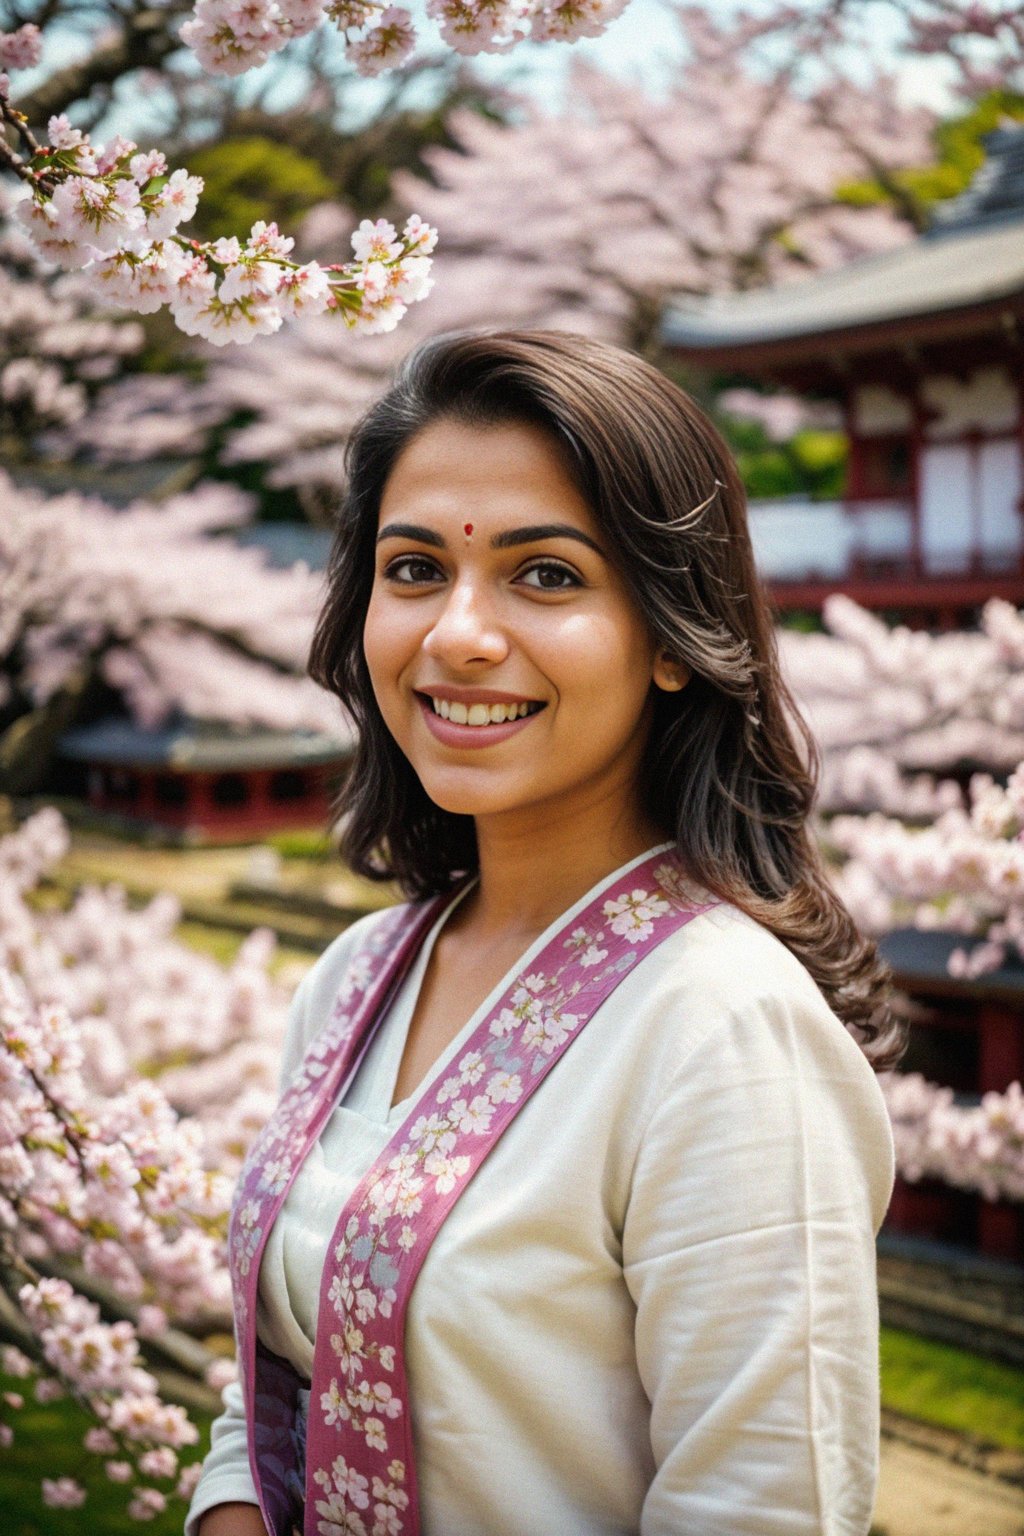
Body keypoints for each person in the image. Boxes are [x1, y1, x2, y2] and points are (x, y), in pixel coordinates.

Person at [189, 329, 899, 1536]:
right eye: (414, 568)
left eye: (547, 576)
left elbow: (762, 1504)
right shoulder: (361, 976)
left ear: (674, 637)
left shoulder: (720, 1030)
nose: (457, 632)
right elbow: (283, 1375)